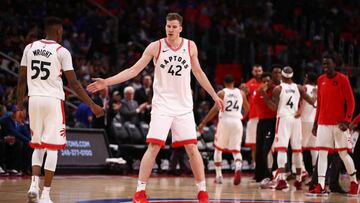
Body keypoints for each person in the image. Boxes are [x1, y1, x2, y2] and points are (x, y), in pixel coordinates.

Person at [87, 13, 223, 203]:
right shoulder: (155, 47)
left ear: (180, 28)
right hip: (162, 105)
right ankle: (140, 191)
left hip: (183, 106)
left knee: (192, 148)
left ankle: (202, 192)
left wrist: (214, 95)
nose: (171, 29)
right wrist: (107, 82)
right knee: (154, 146)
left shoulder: (190, 46)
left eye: (174, 26)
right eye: (168, 26)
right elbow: (133, 70)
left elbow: (198, 73)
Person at [17, 17, 104, 203]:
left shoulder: (29, 48)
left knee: (38, 145)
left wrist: (18, 106)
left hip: (33, 100)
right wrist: (92, 104)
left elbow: (21, 79)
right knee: (53, 148)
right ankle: (46, 195)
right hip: (52, 100)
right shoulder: (61, 51)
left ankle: (33, 185)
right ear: (59, 31)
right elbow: (73, 83)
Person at [307, 54, 358, 196]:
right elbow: (320, 104)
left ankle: (354, 182)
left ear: (335, 64)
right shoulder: (320, 80)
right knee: (322, 154)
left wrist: (347, 121)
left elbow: (351, 101)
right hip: (323, 123)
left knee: (343, 154)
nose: (325, 67)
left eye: (328, 64)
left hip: (339, 124)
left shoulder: (343, 79)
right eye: (323, 64)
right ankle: (321, 185)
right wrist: (316, 122)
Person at [261, 66, 316, 190]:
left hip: (284, 118)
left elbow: (273, 108)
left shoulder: (278, 89)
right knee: (297, 149)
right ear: (292, 75)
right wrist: (317, 94)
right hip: (296, 120)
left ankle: (281, 179)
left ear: (283, 76)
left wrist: (264, 95)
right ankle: (298, 178)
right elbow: (312, 101)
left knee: (281, 149)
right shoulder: (299, 87)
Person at [198, 74, 249, 185]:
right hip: (237, 121)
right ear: (234, 82)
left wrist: (203, 122)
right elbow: (248, 108)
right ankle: (238, 167)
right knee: (236, 150)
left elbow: (215, 110)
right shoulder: (241, 93)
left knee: (218, 148)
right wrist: (240, 117)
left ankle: (219, 176)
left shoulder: (222, 93)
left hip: (225, 121)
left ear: (223, 83)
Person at [254, 66, 281, 182]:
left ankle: (269, 174)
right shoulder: (259, 91)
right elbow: (256, 104)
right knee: (259, 149)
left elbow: (273, 107)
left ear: (271, 81)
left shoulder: (275, 90)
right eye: (263, 81)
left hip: (271, 122)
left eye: (267, 81)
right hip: (261, 122)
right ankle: (259, 175)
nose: (266, 83)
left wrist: (263, 93)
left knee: (267, 149)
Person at [241, 64, 263, 169]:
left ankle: (268, 167)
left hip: (265, 117)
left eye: (259, 71)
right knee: (254, 145)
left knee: (267, 144)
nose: (258, 73)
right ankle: (255, 166)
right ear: (252, 72)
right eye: (256, 71)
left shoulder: (266, 83)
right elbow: (243, 101)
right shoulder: (248, 84)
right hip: (253, 117)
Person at [299, 73, 318, 175]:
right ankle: (316, 171)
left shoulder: (304, 88)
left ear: (307, 78)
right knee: (314, 147)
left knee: (299, 145)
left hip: (304, 119)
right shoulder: (319, 88)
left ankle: (301, 169)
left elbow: (300, 101)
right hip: (315, 120)